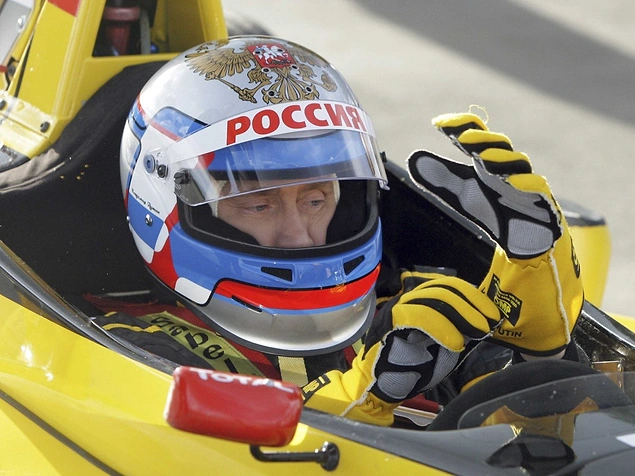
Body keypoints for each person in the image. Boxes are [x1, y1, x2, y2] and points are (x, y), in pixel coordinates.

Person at [91, 35, 585, 426]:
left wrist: (545, 355)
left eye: (316, 199)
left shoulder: (413, 322)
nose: (301, 236)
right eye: (259, 204)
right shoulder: (130, 351)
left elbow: (537, 440)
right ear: (162, 207)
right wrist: (346, 413)